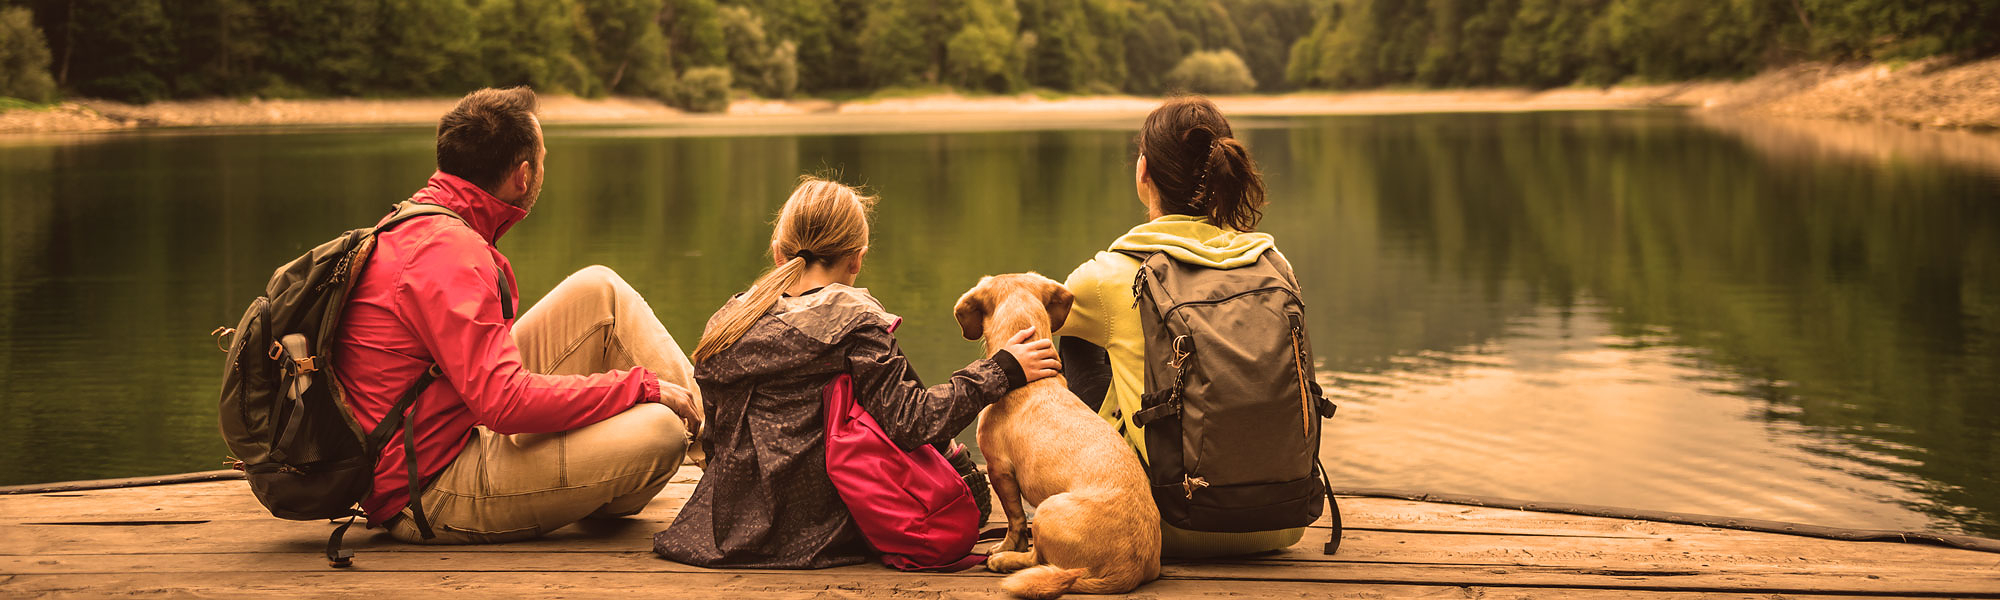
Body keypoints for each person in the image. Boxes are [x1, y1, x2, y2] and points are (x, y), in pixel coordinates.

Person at [332, 86, 704, 544]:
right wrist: (639, 387)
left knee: (599, 290)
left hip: (450, 421)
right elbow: (505, 404)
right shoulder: (450, 254)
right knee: (661, 432)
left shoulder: (423, 221)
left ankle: (727, 454)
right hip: (428, 489)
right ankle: (731, 461)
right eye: (545, 156)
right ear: (523, 175)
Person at [653, 176, 1061, 568]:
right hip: (819, 528)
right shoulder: (854, 323)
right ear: (857, 258)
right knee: (966, 483)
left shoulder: (728, 321)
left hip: (725, 524)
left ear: (779, 252)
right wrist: (1000, 370)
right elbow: (913, 422)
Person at [1057, 95, 1307, 557]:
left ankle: (1101, 489)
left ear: (1143, 172)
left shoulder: (1105, 276)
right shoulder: (1274, 264)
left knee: (1074, 335)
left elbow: (1030, 331)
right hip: (1286, 520)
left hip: (1161, 523)